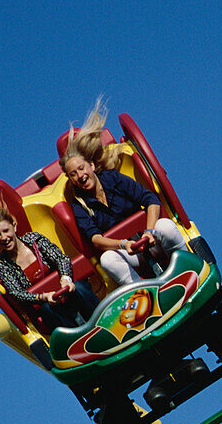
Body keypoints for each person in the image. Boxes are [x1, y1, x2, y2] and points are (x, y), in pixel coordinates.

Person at [60, 99, 187, 285]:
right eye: (73, 174)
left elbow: (150, 199)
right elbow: (96, 238)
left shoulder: (113, 179)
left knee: (166, 227)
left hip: (150, 239)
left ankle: (188, 269)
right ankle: (143, 295)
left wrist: (149, 231)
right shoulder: (79, 204)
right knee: (107, 259)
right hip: (129, 252)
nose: (80, 175)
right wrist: (123, 244)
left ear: (92, 166)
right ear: (71, 180)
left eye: (81, 168)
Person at [0, 207, 99, 329]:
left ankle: (102, 321)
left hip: (66, 290)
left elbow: (61, 259)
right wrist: (42, 297)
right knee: (48, 310)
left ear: (14, 226)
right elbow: (17, 293)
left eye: (6, 231)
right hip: (47, 304)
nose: (3, 237)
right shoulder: (2, 264)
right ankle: (75, 339)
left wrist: (66, 279)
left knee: (80, 288)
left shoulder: (34, 240)